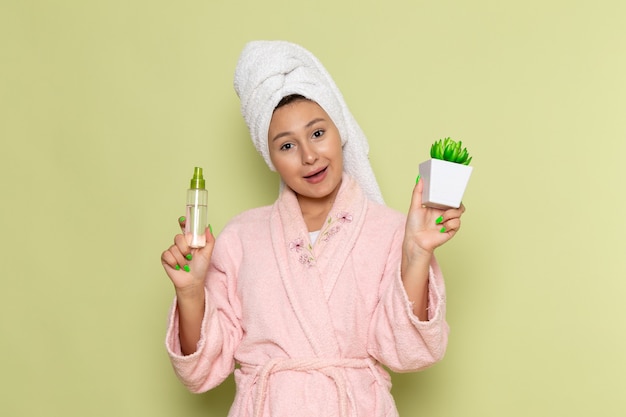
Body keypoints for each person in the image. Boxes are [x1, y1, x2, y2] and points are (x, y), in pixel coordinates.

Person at [160, 40, 466, 417]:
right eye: (286, 145)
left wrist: (417, 254)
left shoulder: (390, 231)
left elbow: (410, 351)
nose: (308, 156)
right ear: (269, 158)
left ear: (340, 131)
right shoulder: (241, 237)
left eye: (318, 133)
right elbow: (201, 372)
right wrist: (191, 293)